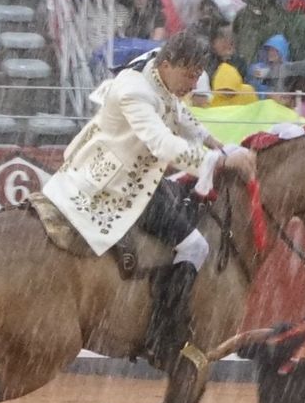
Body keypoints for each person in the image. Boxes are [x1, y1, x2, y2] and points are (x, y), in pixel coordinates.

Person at [41, 32, 255, 368]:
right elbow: (162, 144)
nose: (192, 85)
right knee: (195, 246)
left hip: (131, 175)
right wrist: (220, 161)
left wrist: (217, 144)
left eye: (197, 76)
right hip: (115, 186)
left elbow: (179, 114)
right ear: (167, 65)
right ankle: (163, 333)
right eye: (188, 76)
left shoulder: (159, 70)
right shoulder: (134, 91)